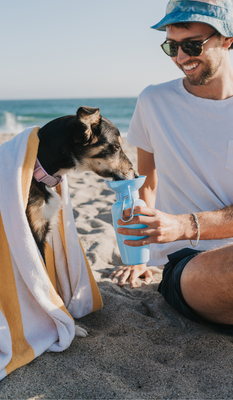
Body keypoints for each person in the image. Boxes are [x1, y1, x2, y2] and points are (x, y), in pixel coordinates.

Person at [110, 0, 233, 334]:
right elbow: (146, 182)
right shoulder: (154, 101)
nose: (180, 58)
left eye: (192, 45)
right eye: (172, 46)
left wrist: (184, 223)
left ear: (227, 39)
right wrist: (140, 258)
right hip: (190, 264)